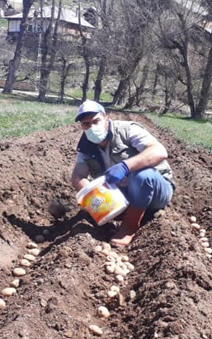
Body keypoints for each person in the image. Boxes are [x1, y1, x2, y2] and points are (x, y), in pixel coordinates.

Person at [70, 101, 174, 247]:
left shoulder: (127, 130)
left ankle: (129, 227)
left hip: (156, 190)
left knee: (142, 176)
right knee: (91, 210)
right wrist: (96, 194)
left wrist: (126, 166)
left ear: (106, 119)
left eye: (96, 121)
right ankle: (125, 213)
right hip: (122, 195)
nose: (92, 127)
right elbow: (77, 177)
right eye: (86, 124)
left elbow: (160, 151)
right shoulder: (86, 145)